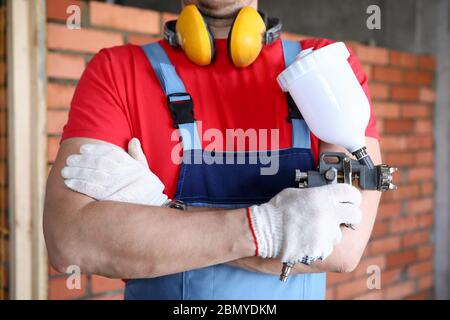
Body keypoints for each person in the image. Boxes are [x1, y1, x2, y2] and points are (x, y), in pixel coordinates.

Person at [43, 0, 382, 300]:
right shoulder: (117, 71)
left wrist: (159, 212)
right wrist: (267, 229)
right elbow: (70, 242)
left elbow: (342, 247)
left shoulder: (320, 67)